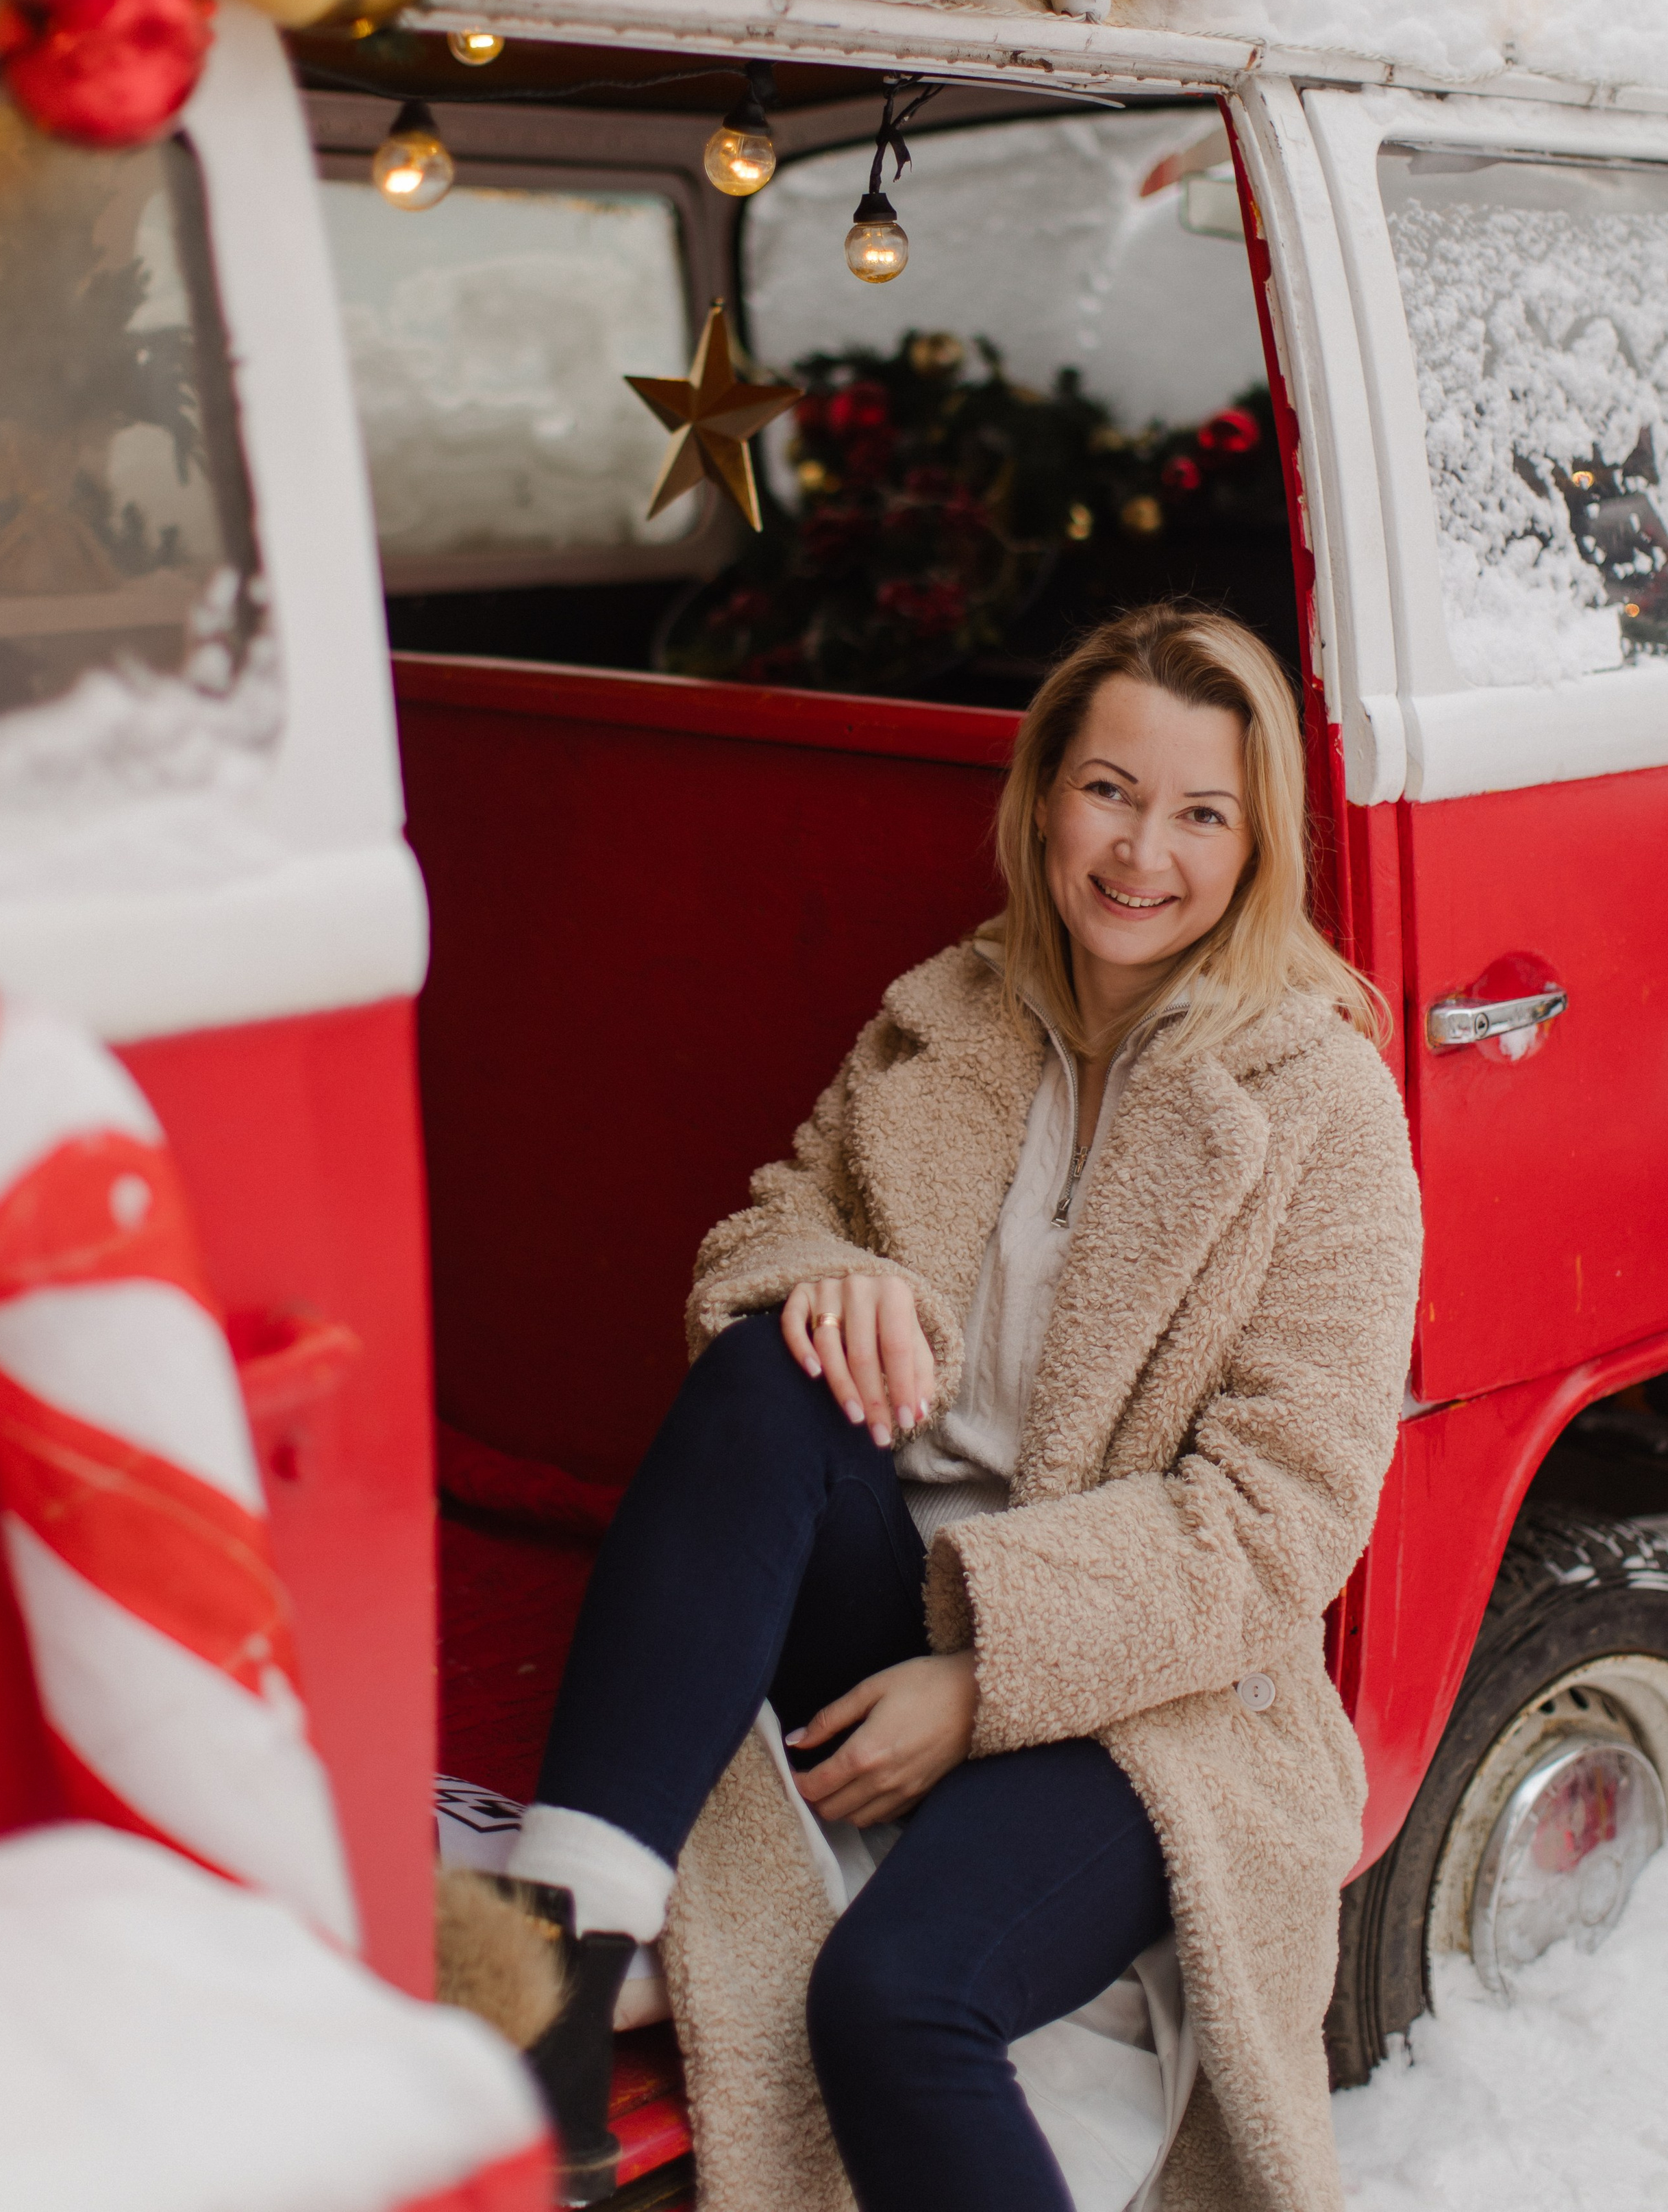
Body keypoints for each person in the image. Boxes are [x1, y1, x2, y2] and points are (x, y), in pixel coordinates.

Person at [488, 602, 1423, 2212]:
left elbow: (1281, 1524)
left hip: (1154, 1694)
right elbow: (764, 1229)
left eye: (1201, 813)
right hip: (883, 1597)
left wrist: (982, 1686)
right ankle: (555, 2000)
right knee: (762, 1364)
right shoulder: (949, 1017)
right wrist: (827, 1275)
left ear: (1256, 843)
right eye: (1109, 791)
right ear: (1045, 797)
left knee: (892, 2002)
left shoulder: (1322, 1105)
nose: (1142, 852)